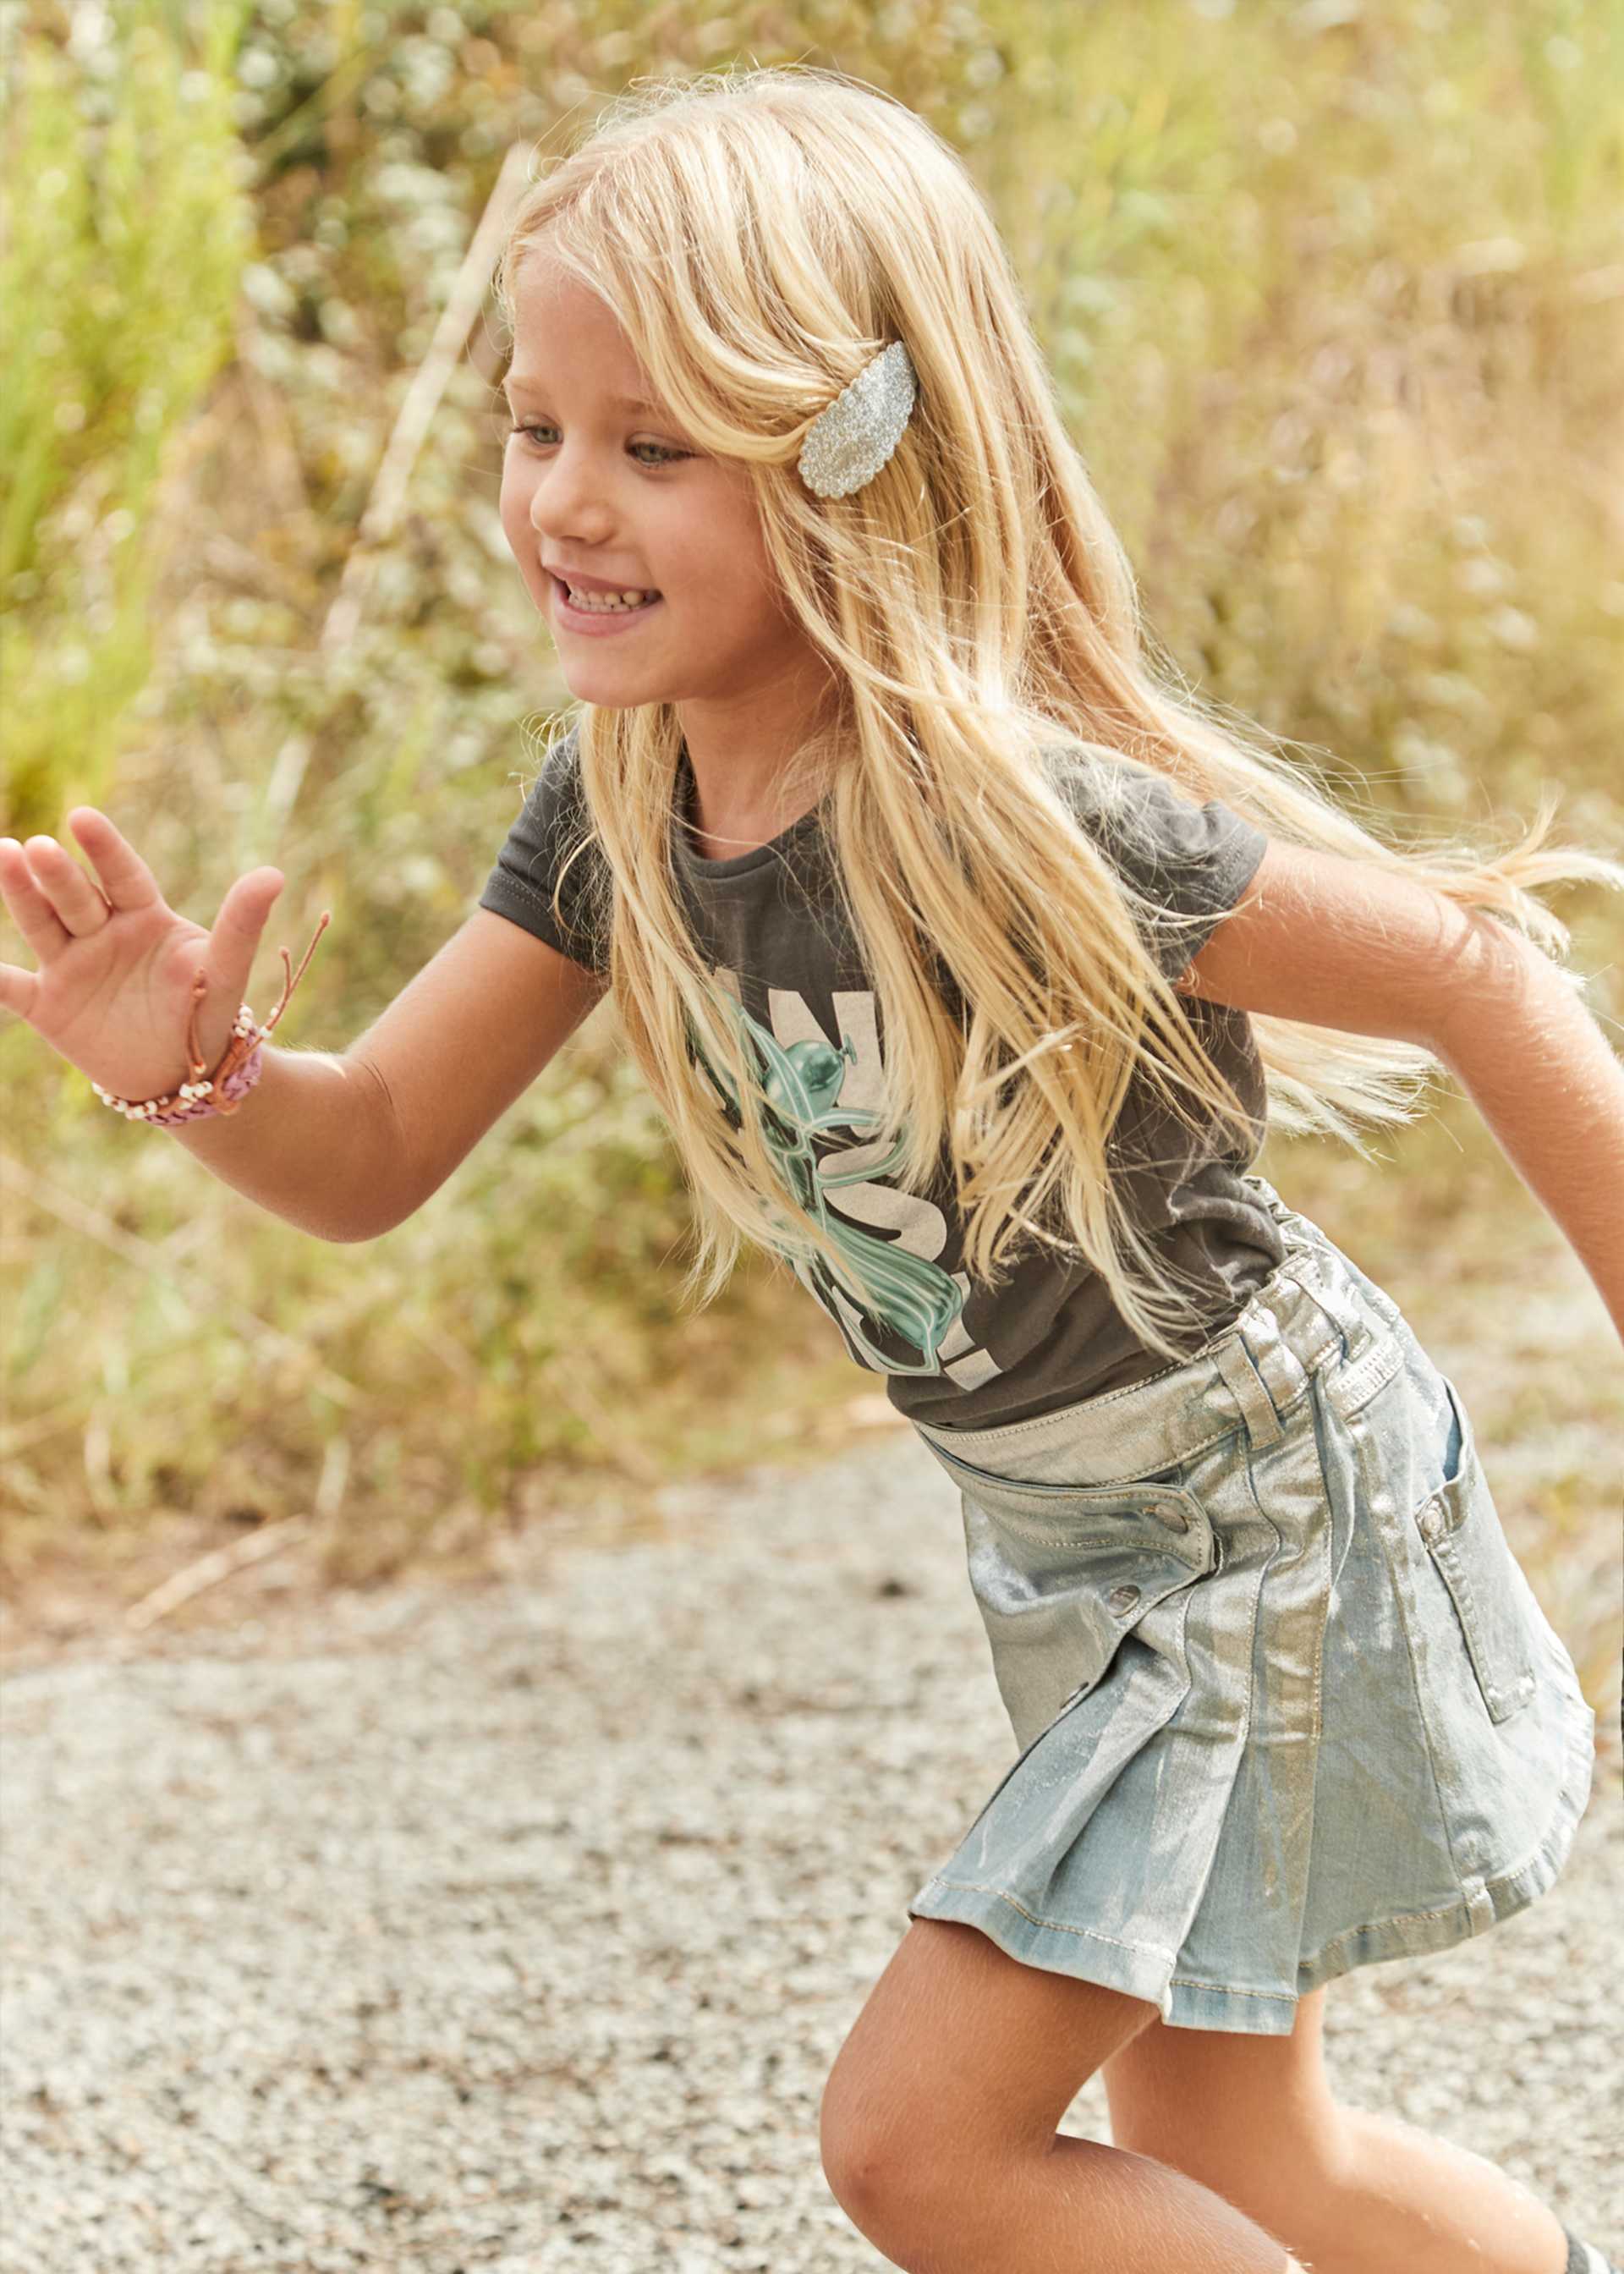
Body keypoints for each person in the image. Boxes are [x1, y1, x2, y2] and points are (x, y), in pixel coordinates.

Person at [2, 62, 1619, 2274]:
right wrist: (190, 1078)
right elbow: (372, 1149)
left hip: (1258, 1512)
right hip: (1080, 1533)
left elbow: (1477, 973)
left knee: (917, 2146)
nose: (567, 499)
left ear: (853, 460)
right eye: (535, 424)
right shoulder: (617, 817)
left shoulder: (994, 817)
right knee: (1258, 2156)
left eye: (658, 447)